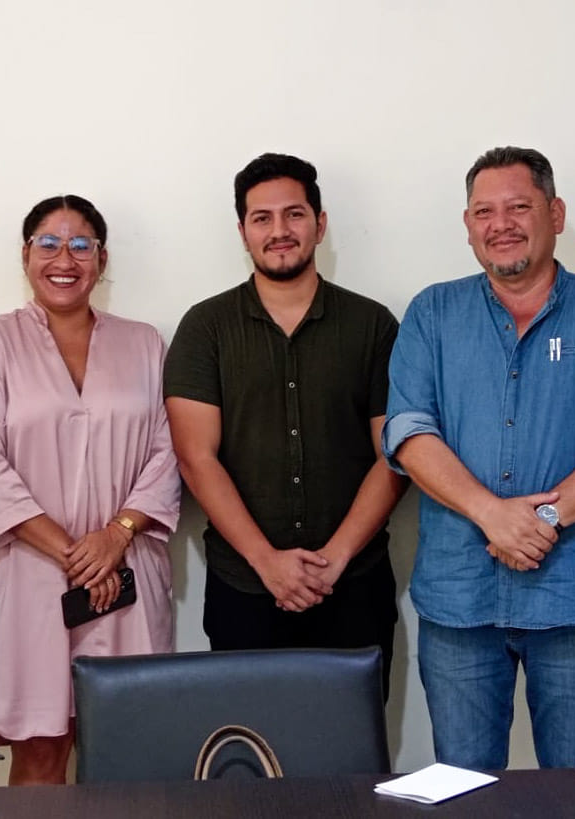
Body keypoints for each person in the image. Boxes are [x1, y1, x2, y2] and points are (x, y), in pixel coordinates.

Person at [383, 146, 575, 813]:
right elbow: (409, 433)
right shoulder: (432, 314)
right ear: (467, 225)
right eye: (484, 211)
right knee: (460, 796)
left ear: (555, 214)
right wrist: (492, 514)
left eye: (518, 207)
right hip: (459, 598)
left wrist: (541, 520)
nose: (500, 224)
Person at [0, 195, 180, 785]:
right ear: (26, 254)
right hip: (28, 574)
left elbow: (169, 448)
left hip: (125, 571)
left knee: (131, 749)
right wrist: (80, 555)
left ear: (102, 258)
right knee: (41, 751)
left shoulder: (145, 344)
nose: (64, 259)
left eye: (81, 245)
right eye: (48, 244)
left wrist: (115, 537)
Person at [164, 153, 407, 695]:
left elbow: (394, 453)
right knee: (250, 742)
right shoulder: (205, 328)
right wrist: (267, 562)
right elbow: (196, 458)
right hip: (243, 587)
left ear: (320, 223)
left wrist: (334, 558)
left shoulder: (372, 325)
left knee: (354, 741)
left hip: (355, 584)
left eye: (294, 214)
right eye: (262, 218)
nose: (279, 231)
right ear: (243, 231)